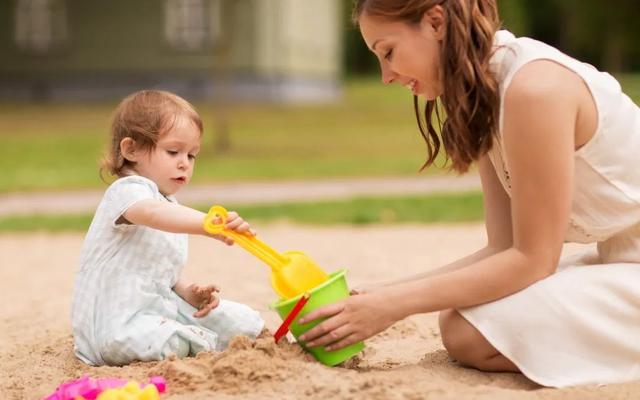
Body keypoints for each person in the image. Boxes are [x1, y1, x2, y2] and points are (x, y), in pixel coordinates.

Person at [298, 0, 640, 388]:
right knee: (469, 318)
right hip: (623, 257)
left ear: (435, 22)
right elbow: (504, 248)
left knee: (468, 332)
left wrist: (394, 305)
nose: (386, 76)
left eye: (388, 52)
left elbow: (532, 261)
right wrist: (379, 294)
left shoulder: (534, 90)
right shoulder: (484, 95)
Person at [71, 90, 264, 366]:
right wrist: (208, 224)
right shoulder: (127, 192)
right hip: (114, 327)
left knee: (243, 321)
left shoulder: (168, 203)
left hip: (155, 310)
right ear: (131, 150)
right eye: (173, 151)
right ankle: (199, 342)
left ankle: (202, 336)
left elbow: (158, 271)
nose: (184, 162)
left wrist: (187, 291)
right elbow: (152, 212)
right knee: (168, 341)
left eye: (192, 155)